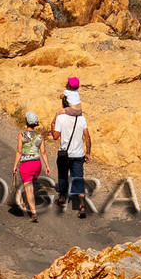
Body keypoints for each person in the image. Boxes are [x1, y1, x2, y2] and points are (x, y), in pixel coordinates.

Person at [53, 85, 92, 218]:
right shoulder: (81, 118)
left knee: (63, 176)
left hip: (64, 153)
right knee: (78, 178)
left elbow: (55, 136)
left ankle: (62, 199)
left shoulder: (61, 118)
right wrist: (88, 153)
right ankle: (81, 205)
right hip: (78, 154)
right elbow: (87, 137)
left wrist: (53, 123)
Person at [13, 110, 45, 215]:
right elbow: (43, 152)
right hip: (37, 164)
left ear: (26, 122)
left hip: (26, 164)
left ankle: (33, 212)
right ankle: (28, 204)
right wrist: (48, 166)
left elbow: (19, 151)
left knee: (28, 188)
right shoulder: (40, 136)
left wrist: (15, 166)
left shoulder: (21, 135)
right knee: (31, 185)